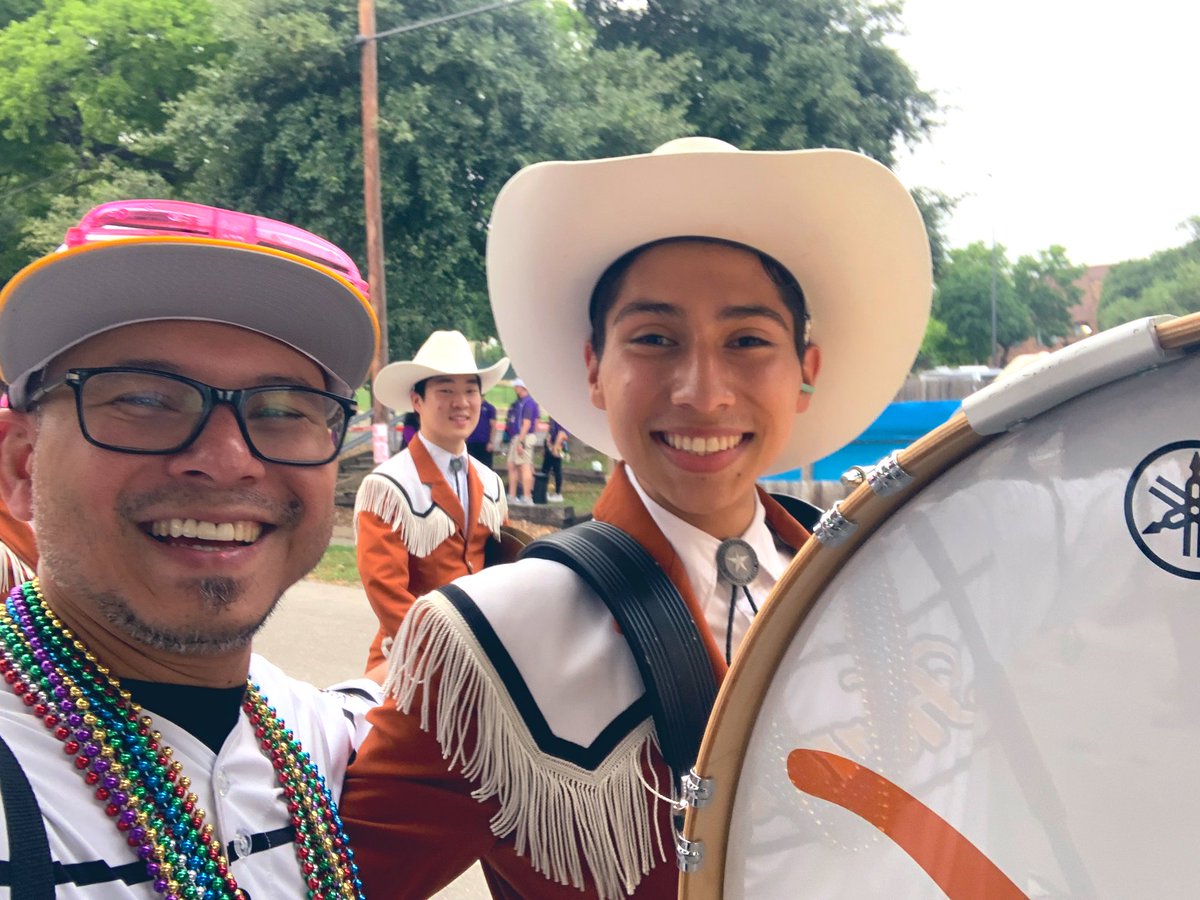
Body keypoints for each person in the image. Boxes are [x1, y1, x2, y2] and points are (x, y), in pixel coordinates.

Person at [341, 137, 932, 897]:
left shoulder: (862, 583)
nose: (703, 390)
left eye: (747, 340)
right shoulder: (486, 648)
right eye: (654, 339)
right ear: (595, 367)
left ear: (805, 372)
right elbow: (339, 880)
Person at [0, 198, 385, 897]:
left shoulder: (322, 742)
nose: (229, 458)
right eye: (145, 399)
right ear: (21, 467)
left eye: (281, 409)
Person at [354, 329, 509, 671]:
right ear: (417, 400)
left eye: (470, 390)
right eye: (446, 390)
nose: (461, 402)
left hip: (481, 662)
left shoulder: (491, 483)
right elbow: (386, 591)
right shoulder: (388, 487)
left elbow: (503, 573)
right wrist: (445, 655)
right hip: (412, 661)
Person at [504, 378, 539, 504]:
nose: (515, 389)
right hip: (517, 437)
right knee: (512, 465)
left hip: (523, 437)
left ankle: (527, 496)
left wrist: (521, 442)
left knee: (524, 466)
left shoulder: (528, 403)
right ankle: (512, 495)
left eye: (517, 386)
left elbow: (527, 423)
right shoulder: (520, 403)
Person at [540, 417, 568, 502]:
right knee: (545, 469)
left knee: (557, 469)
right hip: (550, 444)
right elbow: (550, 430)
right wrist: (546, 446)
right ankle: (543, 491)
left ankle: (558, 493)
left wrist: (555, 448)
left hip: (557, 446)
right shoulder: (553, 417)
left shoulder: (561, 417)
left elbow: (562, 433)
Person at [467, 395, 498, 469]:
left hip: (484, 442)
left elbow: (493, 426)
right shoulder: (470, 408)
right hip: (472, 441)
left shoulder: (489, 408)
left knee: (485, 466)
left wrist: (491, 442)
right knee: (471, 466)